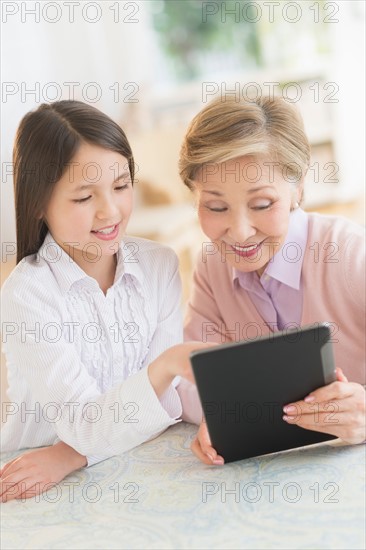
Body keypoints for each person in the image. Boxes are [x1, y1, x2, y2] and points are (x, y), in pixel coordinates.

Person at [0, 100, 209, 502]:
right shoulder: (27, 295)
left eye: (121, 185)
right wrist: (164, 368)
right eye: (83, 198)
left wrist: (72, 454)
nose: (110, 211)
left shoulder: (159, 266)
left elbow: (165, 403)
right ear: (39, 204)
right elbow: (85, 424)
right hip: (36, 472)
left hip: (125, 458)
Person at [178, 94, 366, 465]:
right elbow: (191, 382)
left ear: (297, 190)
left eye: (262, 205)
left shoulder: (348, 253)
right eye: (216, 207)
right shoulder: (212, 267)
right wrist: (218, 418)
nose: (241, 232)